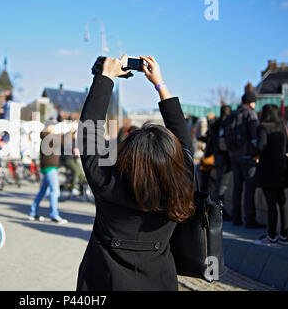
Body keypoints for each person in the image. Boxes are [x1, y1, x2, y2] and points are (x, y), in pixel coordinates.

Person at [76, 55, 195, 291]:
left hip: (104, 282)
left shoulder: (107, 183)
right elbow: (185, 146)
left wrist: (105, 78)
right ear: (174, 160)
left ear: (128, 156)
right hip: (159, 283)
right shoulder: (181, 184)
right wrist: (160, 85)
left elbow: (88, 137)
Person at [228, 90, 265, 228]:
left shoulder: (234, 114)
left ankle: (236, 217)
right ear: (251, 102)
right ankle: (250, 219)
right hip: (247, 156)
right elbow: (255, 137)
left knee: (237, 188)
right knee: (249, 189)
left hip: (233, 156)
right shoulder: (250, 114)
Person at [253, 104, 288, 246]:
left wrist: (253, 152)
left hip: (267, 170)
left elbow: (261, 146)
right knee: (283, 203)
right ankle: (284, 235)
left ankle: (271, 236)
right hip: (282, 169)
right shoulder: (282, 127)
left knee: (271, 204)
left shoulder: (263, 127)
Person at [28, 123, 68, 224]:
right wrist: (70, 132)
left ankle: (33, 212)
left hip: (48, 167)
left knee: (43, 191)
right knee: (55, 191)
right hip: (50, 167)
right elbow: (63, 141)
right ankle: (54, 215)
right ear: (48, 129)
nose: (54, 130)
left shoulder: (46, 137)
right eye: (53, 128)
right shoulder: (48, 137)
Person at [209, 105, 233, 220]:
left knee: (219, 184)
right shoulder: (226, 124)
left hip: (217, 157)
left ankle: (216, 209)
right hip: (225, 157)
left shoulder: (216, 124)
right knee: (222, 185)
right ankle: (219, 210)